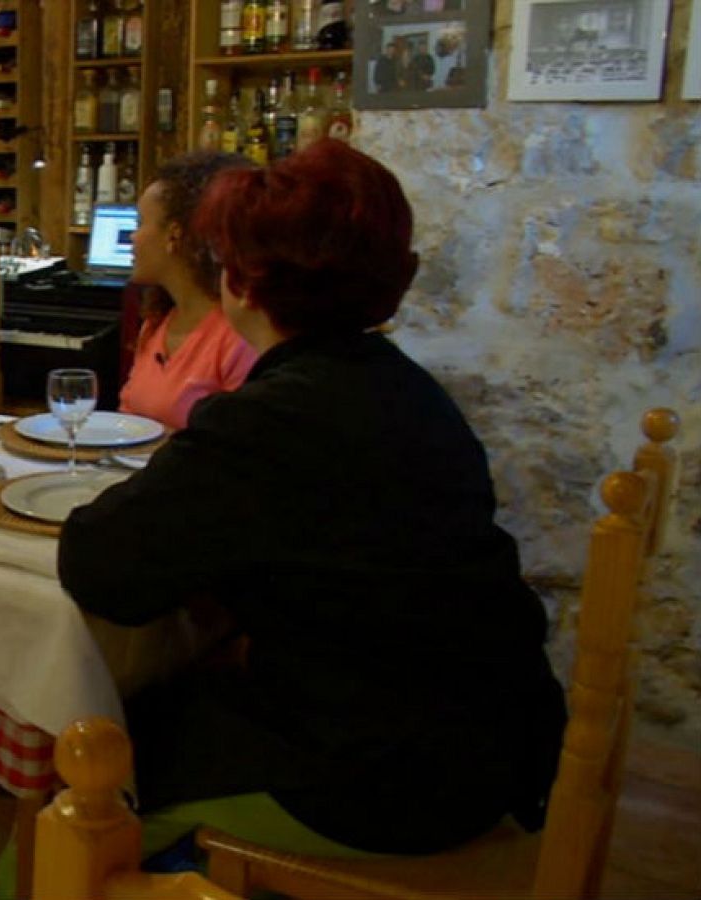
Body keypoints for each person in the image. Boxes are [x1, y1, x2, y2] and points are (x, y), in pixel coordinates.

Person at [59, 140, 567, 861]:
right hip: (497, 737)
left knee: (93, 745)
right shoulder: (403, 387)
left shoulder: (272, 417)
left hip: (390, 781)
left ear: (240, 281)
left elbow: (99, 565)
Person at [118, 153, 258, 431]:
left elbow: (238, 449)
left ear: (174, 235)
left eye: (139, 223)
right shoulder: (157, 323)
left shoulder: (239, 336)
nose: (131, 237)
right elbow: (126, 422)